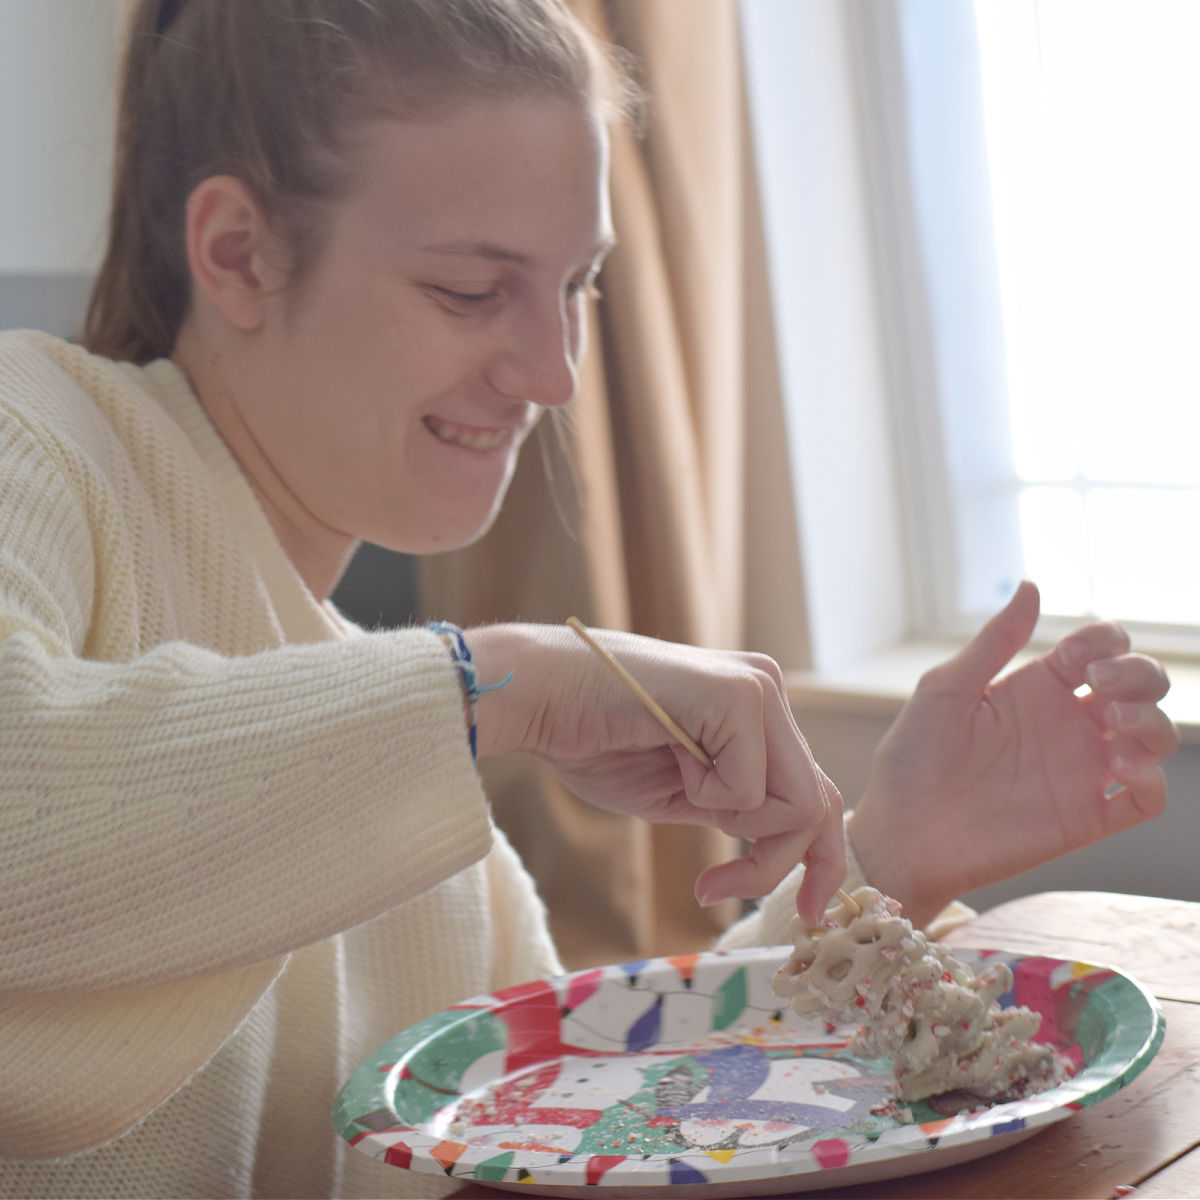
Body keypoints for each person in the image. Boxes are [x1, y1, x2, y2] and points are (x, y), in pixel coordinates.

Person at [0, 1, 1177, 1196]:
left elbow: (597, 1112)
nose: (554, 375)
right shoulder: (28, 436)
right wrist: (509, 686)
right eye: (470, 290)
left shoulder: (411, 810)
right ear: (239, 252)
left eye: (578, 287)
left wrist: (884, 859)